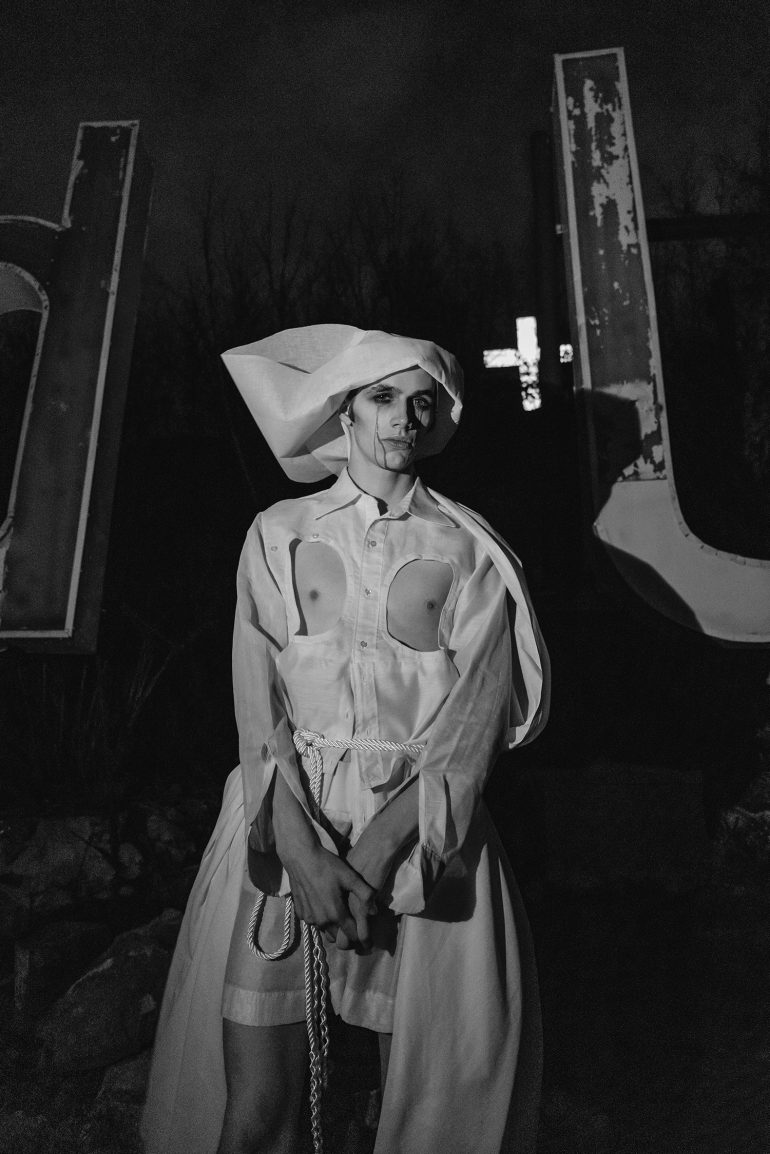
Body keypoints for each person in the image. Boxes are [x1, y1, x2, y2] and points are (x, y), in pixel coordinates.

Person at [141, 325, 549, 1154]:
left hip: (425, 836)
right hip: (284, 824)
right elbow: (258, 707)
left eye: (422, 401)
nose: (405, 417)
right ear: (346, 412)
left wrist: (372, 857)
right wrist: (300, 852)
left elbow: (472, 729)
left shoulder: (470, 549)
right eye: (383, 397)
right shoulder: (279, 531)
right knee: (258, 1114)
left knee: (432, 1108)